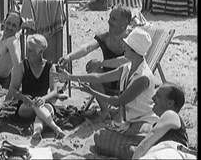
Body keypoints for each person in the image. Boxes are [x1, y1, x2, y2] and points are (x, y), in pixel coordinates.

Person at [58, 27, 159, 159]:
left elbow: (118, 101)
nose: (123, 46)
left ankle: (135, 149)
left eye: (126, 45)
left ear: (133, 50)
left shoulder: (143, 77)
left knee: (113, 139)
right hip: (128, 122)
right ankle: (135, 149)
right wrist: (70, 77)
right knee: (100, 137)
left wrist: (91, 91)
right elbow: (98, 78)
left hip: (142, 121)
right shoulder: (127, 67)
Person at [58, 4, 132, 116]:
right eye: (110, 17)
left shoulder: (133, 38)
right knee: (93, 72)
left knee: (96, 66)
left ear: (124, 23)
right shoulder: (105, 37)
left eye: (114, 19)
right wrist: (68, 57)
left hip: (128, 83)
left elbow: (127, 60)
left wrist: (101, 63)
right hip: (109, 81)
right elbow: (87, 48)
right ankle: (105, 111)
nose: (109, 22)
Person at [5, 34, 65, 142]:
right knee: (36, 106)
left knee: (42, 108)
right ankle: (55, 128)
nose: (28, 53)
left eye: (31, 51)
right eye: (28, 50)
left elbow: (54, 90)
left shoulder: (50, 67)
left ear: (40, 52)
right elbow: (12, 90)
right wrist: (23, 97)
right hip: (26, 105)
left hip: (43, 102)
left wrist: (44, 99)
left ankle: (37, 131)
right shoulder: (22, 66)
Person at [132, 82, 196, 159]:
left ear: (170, 103)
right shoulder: (164, 123)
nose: (153, 98)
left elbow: (146, 143)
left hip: (170, 152)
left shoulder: (171, 114)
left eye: (158, 95)